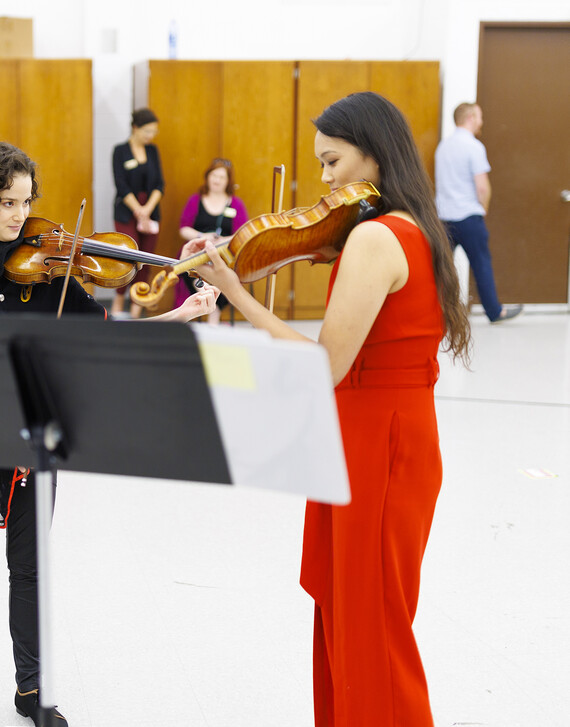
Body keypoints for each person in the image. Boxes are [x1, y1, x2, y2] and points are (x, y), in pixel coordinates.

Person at [184, 92, 472, 726]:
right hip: (385, 437)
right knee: (357, 623)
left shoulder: (375, 236)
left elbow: (324, 366)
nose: (324, 181)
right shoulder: (413, 227)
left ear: (373, 154)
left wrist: (239, 296)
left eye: (332, 161)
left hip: (378, 448)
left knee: (371, 634)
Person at [0, 140, 217, 726]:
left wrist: (182, 314)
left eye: (26, 201)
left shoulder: (48, 270)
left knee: (29, 566)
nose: (21, 216)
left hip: (31, 440)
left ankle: (32, 688)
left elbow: (104, 337)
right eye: (6, 202)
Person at [435, 102, 522, 323]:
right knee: (481, 264)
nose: (482, 122)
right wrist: (482, 210)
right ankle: (494, 312)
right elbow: (482, 187)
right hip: (469, 217)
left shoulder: (443, 147)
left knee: (442, 268)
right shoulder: (473, 147)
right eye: (480, 117)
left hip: (443, 218)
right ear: (471, 117)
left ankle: (437, 312)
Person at [172, 158, 250, 324]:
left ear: (228, 181)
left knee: (227, 272)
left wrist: (222, 241)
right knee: (190, 265)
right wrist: (202, 237)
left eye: (222, 177)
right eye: (214, 175)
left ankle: (213, 316)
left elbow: (243, 233)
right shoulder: (195, 200)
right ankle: (204, 302)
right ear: (207, 176)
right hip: (197, 250)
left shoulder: (236, 203)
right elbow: (183, 228)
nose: (217, 180)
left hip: (223, 253)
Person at [110, 108, 164, 319]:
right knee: (127, 256)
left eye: (153, 132)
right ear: (135, 128)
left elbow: (160, 184)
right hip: (127, 210)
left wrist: (147, 210)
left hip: (150, 211)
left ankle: (136, 310)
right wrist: (138, 210)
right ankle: (117, 304)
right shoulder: (120, 151)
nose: (150, 136)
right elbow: (121, 185)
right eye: (147, 131)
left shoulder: (153, 151)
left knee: (146, 260)